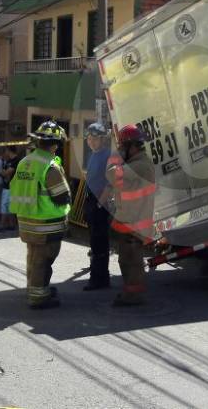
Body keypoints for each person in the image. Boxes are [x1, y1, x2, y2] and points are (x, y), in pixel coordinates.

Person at [10, 122, 72, 309]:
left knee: (33, 257)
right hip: (47, 224)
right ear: (54, 144)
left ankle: (34, 289)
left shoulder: (25, 162)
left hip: (26, 221)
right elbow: (62, 197)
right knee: (43, 260)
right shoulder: (49, 167)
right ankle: (39, 297)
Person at [106, 124, 156, 307]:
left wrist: (114, 156)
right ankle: (130, 292)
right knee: (126, 259)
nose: (120, 151)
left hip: (134, 224)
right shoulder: (137, 164)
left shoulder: (140, 166)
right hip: (131, 222)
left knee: (133, 261)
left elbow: (111, 175)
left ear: (132, 146)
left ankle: (134, 296)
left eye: (123, 147)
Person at [82, 122, 112, 291]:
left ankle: (99, 279)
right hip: (91, 201)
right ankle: (100, 277)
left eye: (95, 139)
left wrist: (100, 203)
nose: (91, 141)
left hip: (100, 203)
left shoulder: (107, 155)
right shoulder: (93, 154)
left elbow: (110, 183)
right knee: (94, 242)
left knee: (99, 243)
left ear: (102, 140)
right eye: (89, 138)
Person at [0, 146, 21, 233]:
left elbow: (6, 172)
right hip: (6, 186)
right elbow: (4, 173)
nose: (4, 153)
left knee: (5, 205)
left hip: (12, 187)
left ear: (9, 151)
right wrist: (4, 172)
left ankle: (2, 225)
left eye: (5, 151)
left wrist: (4, 173)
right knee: (9, 206)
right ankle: (11, 224)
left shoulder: (16, 161)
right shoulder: (8, 161)